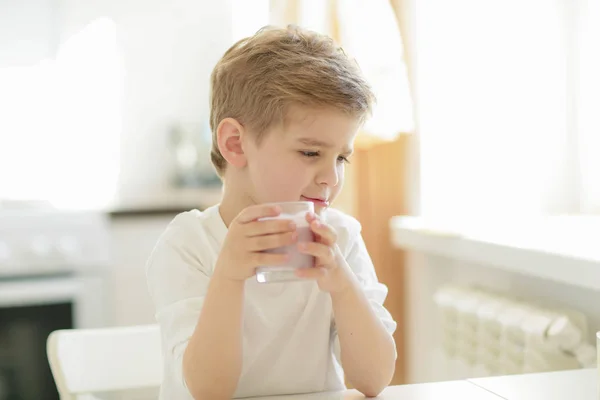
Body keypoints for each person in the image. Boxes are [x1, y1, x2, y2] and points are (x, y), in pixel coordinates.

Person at [146, 25, 397, 400]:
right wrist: (229, 276)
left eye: (341, 157)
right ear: (235, 144)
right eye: (311, 153)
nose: (331, 177)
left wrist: (342, 283)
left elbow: (373, 379)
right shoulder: (188, 245)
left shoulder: (341, 240)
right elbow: (209, 390)